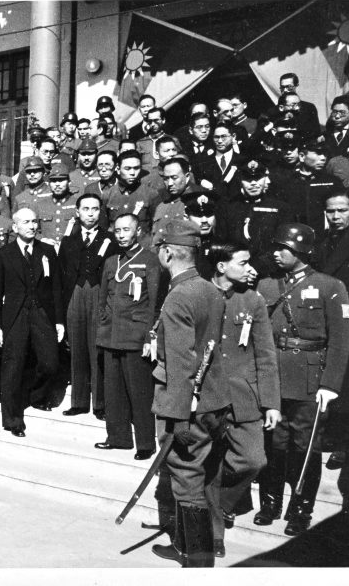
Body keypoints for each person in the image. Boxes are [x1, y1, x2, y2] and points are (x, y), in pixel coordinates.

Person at [255, 223, 349, 536]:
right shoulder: (267, 286)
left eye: (284, 248)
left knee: (305, 445)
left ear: (302, 252)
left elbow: (340, 340)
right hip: (274, 375)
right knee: (274, 442)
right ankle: (270, 502)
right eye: (276, 247)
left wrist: (331, 384)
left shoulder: (330, 286)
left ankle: (300, 508)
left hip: (311, 378)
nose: (276, 253)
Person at [149, 218, 226, 567]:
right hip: (213, 399)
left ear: (167, 252)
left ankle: (198, 561)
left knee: (186, 479)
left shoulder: (179, 295)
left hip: (185, 403)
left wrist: (178, 416)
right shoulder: (211, 289)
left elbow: (181, 362)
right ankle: (187, 549)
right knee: (196, 473)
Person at [204, 241, 281, 558]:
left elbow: (265, 354)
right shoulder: (197, 294)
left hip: (243, 397)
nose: (252, 269)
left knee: (253, 460)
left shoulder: (253, 300)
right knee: (206, 465)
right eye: (244, 262)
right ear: (222, 267)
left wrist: (272, 402)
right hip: (206, 398)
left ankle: (218, 505)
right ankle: (213, 533)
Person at [311, 188, 349, 510]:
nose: (336, 217)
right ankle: (331, 437)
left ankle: (344, 443)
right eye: (331, 211)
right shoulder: (323, 241)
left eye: (342, 210)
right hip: (328, 318)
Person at [0, 207, 65, 437]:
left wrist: (59, 321)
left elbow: (56, 288)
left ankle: (36, 396)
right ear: (15, 227)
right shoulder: (4, 255)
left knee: (50, 363)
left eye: (34, 222)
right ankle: (13, 419)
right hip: (15, 316)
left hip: (42, 314)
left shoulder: (48, 251)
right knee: (13, 367)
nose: (32, 226)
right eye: (26, 222)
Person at [95, 213, 159, 459]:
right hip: (111, 335)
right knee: (113, 391)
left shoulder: (149, 261)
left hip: (135, 336)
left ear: (138, 232)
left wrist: (148, 337)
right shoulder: (111, 261)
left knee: (139, 392)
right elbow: (103, 299)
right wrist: (102, 327)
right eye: (118, 230)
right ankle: (118, 437)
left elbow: (153, 303)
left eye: (126, 230)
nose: (121, 235)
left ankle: (145, 443)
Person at [58, 193, 113, 418]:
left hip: (98, 295)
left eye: (95, 209)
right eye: (86, 209)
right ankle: (79, 402)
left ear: (100, 212)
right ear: (78, 212)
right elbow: (61, 276)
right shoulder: (69, 241)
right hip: (75, 295)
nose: (90, 213)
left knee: (96, 348)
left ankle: (100, 404)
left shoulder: (110, 239)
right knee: (77, 348)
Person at [215, 158, 291, 275]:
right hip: (235, 273)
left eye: (258, 178)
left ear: (265, 178)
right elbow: (222, 243)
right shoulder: (227, 207)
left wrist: (257, 267)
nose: (254, 183)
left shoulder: (280, 208)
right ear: (240, 179)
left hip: (269, 273)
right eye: (248, 179)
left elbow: (282, 245)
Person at [100, 150, 161, 250]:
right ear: (118, 169)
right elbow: (103, 227)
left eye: (136, 168)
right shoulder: (107, 195)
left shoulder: (151, 194)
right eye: (127, 169)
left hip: (143, 248)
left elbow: (156, 227)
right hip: (115, 249)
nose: (132, 173)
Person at [34, 162, 80, 248]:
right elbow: (33, 230)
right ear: (49, 183)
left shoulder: (77, 203)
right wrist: (43, 240)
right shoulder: (40, 205)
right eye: (54, 181)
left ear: (69, 182)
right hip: (47, 250)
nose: (57, 184)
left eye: (61, 180)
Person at [135, 107, 171, 172]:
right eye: (150, 121)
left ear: (163, 120)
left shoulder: (172, 140)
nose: (153, 124)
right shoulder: (140, 143)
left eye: (156, 120)